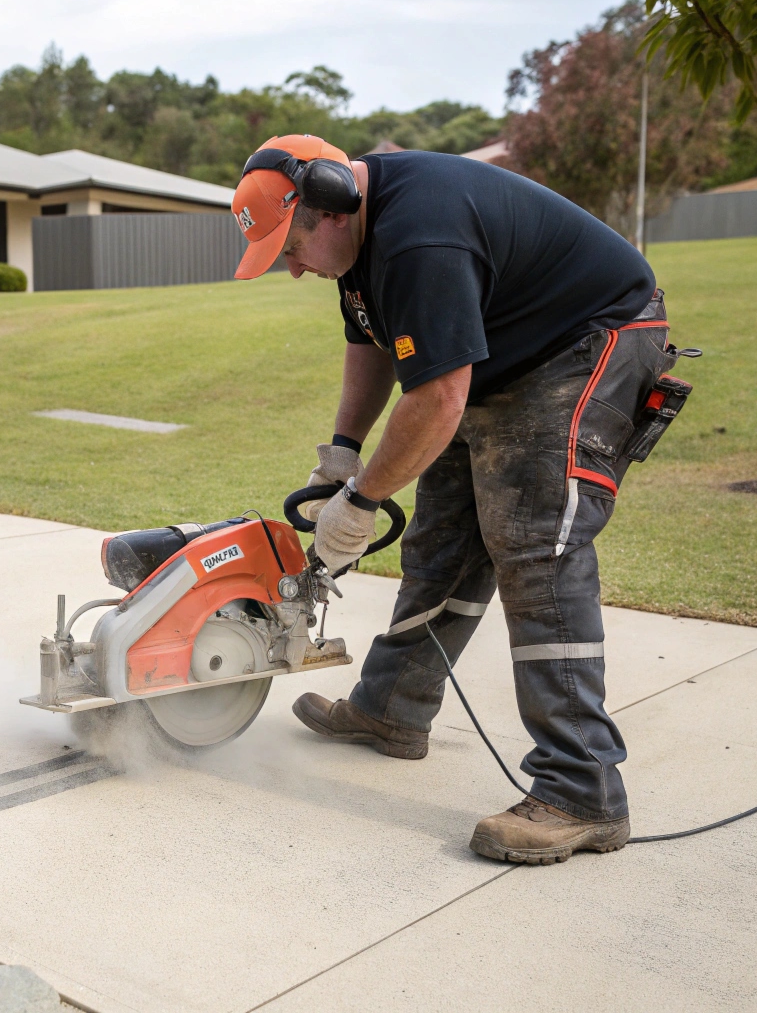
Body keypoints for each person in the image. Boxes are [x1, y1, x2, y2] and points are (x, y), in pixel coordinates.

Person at [231, 134, 682, 864]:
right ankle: (390, 711)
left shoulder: (419, 235)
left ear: (334, 207)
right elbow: (372, 340)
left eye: (291, 247)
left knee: (536, 547)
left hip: (587, 345)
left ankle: (581, 788)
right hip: (502, 360)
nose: (291, 270)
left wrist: (361, 499)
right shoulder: (362, 242)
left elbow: (439, 397)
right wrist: (342, 450)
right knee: (441, 542)